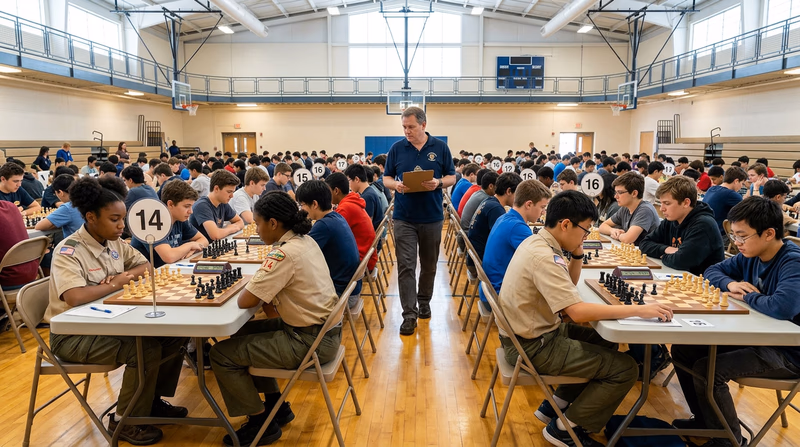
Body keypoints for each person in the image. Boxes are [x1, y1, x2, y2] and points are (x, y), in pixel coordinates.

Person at [497, 190, 673, 447]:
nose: (588, 235)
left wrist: (578, 254)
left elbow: (567, 285)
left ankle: (555, 406)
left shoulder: (538, 242)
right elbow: (576, 312)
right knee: (626, 369)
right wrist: (639, 309)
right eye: (585, 229)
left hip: (531, 334)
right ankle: (564, 429)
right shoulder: (545, 257)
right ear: (565, 224)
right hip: (533, 346)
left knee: (604, 340)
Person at [45, 176, 187, 446]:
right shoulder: (69, 250)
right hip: (72, 335)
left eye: (123, 219)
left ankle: (151, 402)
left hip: (107, 323)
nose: (122, 226)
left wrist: (121, 278)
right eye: (114, 219)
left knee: (172, 336)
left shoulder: (114, 243)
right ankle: (125, 420)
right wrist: (118, 283)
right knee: (144, 350)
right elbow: (75, 296)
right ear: (90, 217)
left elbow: (146, 267)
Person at [208, 191, 341, 447]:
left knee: (220, 355)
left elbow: (245, 301)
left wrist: (257, 282)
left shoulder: (283, 255)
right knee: (242, 334)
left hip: (310, 341)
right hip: (323, 331)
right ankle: (275, 407)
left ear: (272, 223)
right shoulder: (304, 240)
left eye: (257, 223)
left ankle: (261, 424)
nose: (255, 229)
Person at [671, 197, 800, 447]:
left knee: (709, 369)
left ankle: (728, 440)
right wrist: (731, 283)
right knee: (683, 349)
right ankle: (706, 422)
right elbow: (712, 271)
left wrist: (749, 296)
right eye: (734, 237)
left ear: (769, 233)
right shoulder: (750, 254)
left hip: (789, 352)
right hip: (757, 337)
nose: (736, 243)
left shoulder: (792, 261)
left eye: (742, 236)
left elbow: (782, 307)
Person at [382, 107, 456, 335]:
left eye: (411, 127)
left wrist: (439, 183)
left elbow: (452, 176)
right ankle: (409, 314)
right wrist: (397, 185)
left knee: (429, 265)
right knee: (406, 266)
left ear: (423, 125)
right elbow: (386, 178)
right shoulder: (397, 149)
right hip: (404, 217)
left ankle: (424, 301)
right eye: (404, 127)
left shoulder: (440, 148)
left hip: (432, 217)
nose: (407, 131)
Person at [481, 179, 550, 307]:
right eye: (542, 207)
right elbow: (543, 262)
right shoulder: (517, 227)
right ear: (528, 204)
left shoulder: (505, 217)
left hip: (490, 289)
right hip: (499, 295)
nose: (543, 212)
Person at [296, 179, 365, 307]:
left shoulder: (324, 225)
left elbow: (299, 254)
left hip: (341, 295)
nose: (301, 209)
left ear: (315, 204)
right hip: (350, 290)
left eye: (303, 205)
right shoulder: (336, 217)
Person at [640, 176, 725, 275]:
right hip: (677, 276)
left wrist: (663, 256)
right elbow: (644, 244)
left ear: (686, 203)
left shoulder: (703, 224)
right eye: (661, 203)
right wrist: (667, 249)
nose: (662, 208)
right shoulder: (671, 219)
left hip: (701, 284)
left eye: (667, 203)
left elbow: (681, 261)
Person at [132, 181, 207, 268]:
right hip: (147, 277)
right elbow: (169, 257)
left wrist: (192, 249)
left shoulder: (180, 218)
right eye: (186, 206)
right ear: (170, 204)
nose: (191, 211)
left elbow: (203, 240)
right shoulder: (152, 222)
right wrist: (189, 245)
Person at [468, 172, 520, 264]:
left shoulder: (490, 201)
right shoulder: (496, 209)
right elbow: (502, 241)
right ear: (508, 191)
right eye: (518, 194)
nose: (519, 199)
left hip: (475, 257)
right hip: (481, 262)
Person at [599, 172, 660, 245]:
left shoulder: (645, 210)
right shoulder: (625, 208)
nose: (616, 196)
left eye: (620, 192)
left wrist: (617, 236)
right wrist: (612, 231)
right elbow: (602, 226)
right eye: (616, 192)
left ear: (634, 193)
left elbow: (628, 239)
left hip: (646, 255)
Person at [189, 169, 244, 241]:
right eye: (229, 192)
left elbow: (240, 222)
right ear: (216, 188)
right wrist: (231, 228)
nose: (232, 196)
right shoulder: (202, 206)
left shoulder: (222, 202)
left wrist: (225, 230)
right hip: (202, 250)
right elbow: (215, 235)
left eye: (233, 192)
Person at [34, 174, 84, 239]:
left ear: (60, 192)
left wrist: (57, 223)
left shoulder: (68, 207)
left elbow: (39, 226)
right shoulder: (87, 200)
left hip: (76, 246)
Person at [703, 166, 747, 235]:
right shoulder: (732, 195)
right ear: (736, 181)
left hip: (705, 231)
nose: (741, 186)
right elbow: (748, 213)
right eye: (742, 183)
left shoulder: (711, 189)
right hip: (719, 235)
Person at [345, 164, 383, 230]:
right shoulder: (369, 191)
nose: (349, 185)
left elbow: (367, 225)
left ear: (357, 179)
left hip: (373, 236)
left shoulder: (367, 196)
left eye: (349, 180)